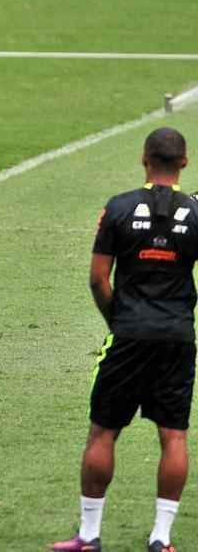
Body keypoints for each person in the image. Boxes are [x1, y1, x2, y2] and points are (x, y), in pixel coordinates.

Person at [52, 128, 198, 552]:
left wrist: (119, 319)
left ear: (144, 158)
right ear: (184, 162)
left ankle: (90, 535)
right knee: (173, 436)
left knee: (103, 432)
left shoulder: (117, 208)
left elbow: (98, 278)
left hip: (128, 334)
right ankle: (161, 538)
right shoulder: (195, 212)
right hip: (176, 337)